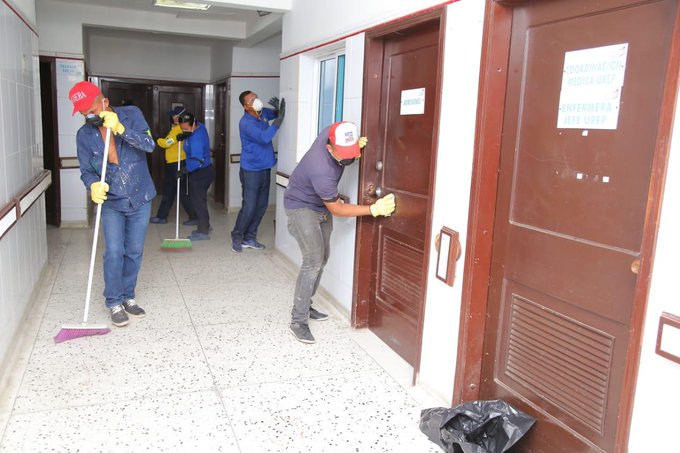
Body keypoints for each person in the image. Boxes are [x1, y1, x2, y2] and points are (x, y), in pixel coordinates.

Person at [283, 121, 396, 343]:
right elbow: (337, 208)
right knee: (313, 261)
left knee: (322, 258)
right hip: (301, 208)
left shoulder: (332, 133)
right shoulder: (321, 168)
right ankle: (298, 320)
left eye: (351, 152)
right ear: (329, 147)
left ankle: (307, 304)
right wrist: (373, 209)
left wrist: (353, 143)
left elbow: (338, 125)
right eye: (343, 154)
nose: (347, 158)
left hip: (320, 205)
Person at [70, 81, 156, 327]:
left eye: (92, 109)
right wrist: (93, 185)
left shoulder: (132, 115)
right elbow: (86, 170)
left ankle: (129, 296)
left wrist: (120, 129)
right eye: (83, 111)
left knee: (134, 251)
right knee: (115, 252)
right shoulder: (84, 135)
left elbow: (149, 145)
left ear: (104, 101)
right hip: (112, 201)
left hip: (140, 196)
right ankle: (114, 301)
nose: (89, 115)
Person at [230, 91, 285, 253]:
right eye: (252, 100)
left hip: (265, 167)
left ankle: (250, 238)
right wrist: (279, 120)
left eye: (256, 97)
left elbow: (274, 114)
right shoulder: (245, 123)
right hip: (251, 170)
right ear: (246, 106)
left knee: (261, 206)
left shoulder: (262, 114)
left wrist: (277, 111)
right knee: (249, 207)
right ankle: (237, 236)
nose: (256, 101)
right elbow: (264, 138)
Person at [150, 106, 197, 225]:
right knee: (169, 190)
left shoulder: (178, 129)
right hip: (174, 162)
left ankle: (194, 216)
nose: (173, 118)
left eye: (175, 115)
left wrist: (156, 139)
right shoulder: (178, 128)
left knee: (181, 191)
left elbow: (166, 143)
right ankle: (162, 216)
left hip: (177, 163)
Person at [177, 111, 214, 241]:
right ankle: (206, 225)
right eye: (182, 127)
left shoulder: (197, 139)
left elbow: (197, 160)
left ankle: (203, 231)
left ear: (193, 124)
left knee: (198, 202)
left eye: (186, 128)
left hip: (200, 172)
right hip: (203, 171)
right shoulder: (199, 126)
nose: (184, 129)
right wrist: (185, 135)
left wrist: (184, 170)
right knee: (199, 200)